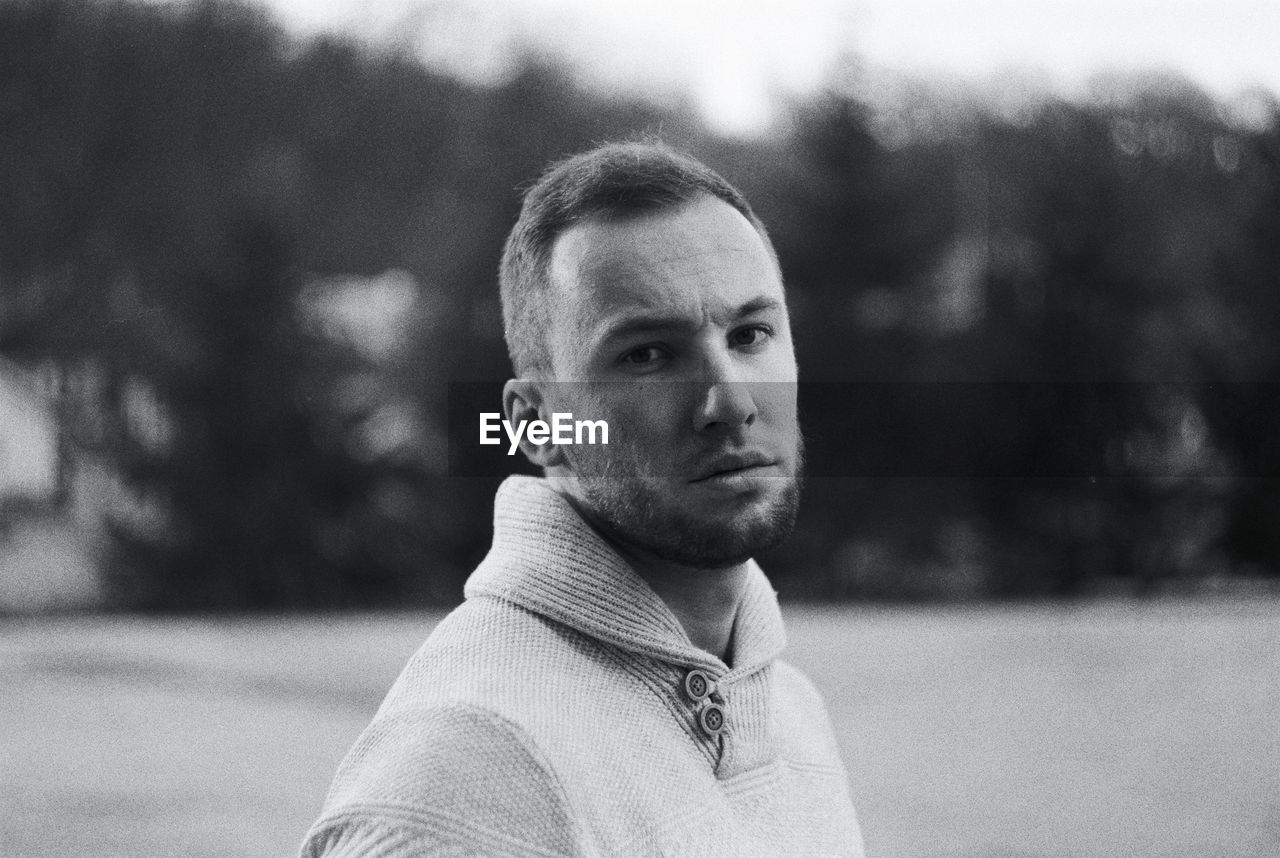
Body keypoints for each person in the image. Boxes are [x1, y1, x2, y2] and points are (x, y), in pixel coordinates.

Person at [300, 141, 865, 856]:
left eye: (750, 333)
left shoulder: (792, 713)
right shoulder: (467, 771)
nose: (730, 401)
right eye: (647, 355)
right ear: (539, 424)